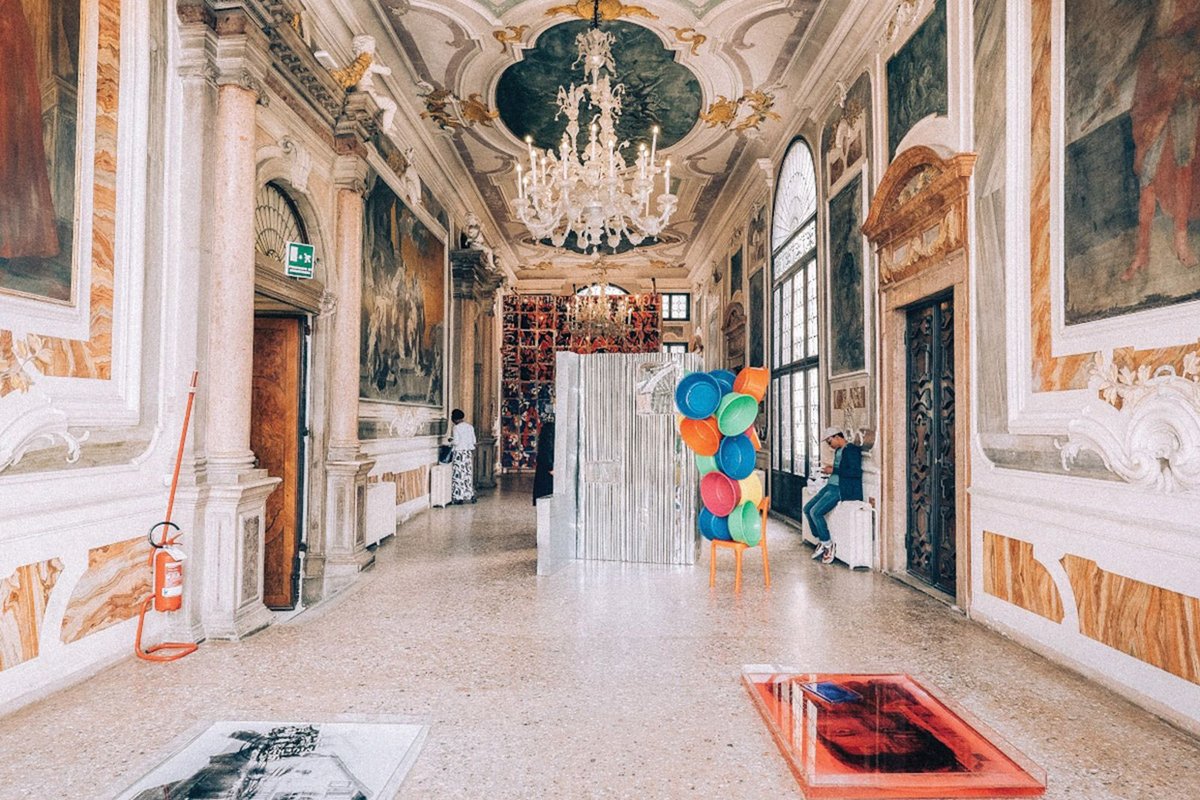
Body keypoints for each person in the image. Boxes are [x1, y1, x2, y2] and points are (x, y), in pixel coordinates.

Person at [803, 426, 863, 565]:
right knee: (807, 509)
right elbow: (840, 469)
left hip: (840, 489)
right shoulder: (838, 451)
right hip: (830, 485)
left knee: (816, 512)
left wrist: (833, 470)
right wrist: (829, 471)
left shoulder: (852, 450)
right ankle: (822, 540)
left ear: (837, 437)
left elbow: (855, 472)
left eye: (829, 442)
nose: (829, 445)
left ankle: (828, 544)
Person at [448, 409, 476, 505]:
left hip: (459, 453)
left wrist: (450, 441)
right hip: (468, 453)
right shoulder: (470, 427)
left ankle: (459, 497)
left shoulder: (456, 428)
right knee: (467, 474)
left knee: (459, 475)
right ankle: (470, 495)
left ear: (455, 419)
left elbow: (456, 442)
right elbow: (474, 441)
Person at [532, 417, 555, 505]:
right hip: (547, 470)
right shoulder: (549, 439)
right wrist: (551, 468)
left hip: (543, 469)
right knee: (546, 494)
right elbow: (546, 454)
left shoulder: (544, 439)